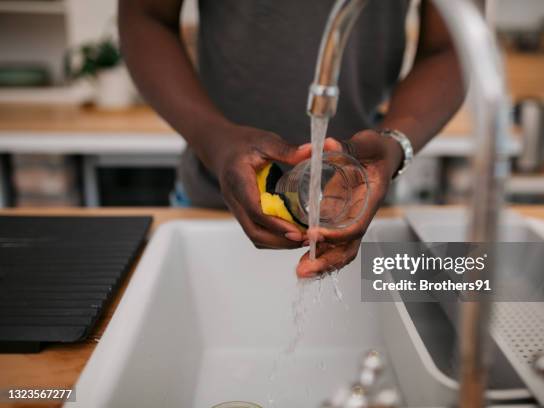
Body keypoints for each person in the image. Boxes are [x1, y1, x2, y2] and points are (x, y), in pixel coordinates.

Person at [118, 0, 465, 278]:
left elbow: (452, 45)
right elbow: (145, 15)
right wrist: (215, 141)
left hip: (358, 207)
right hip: (209, 204)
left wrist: (392, 146)